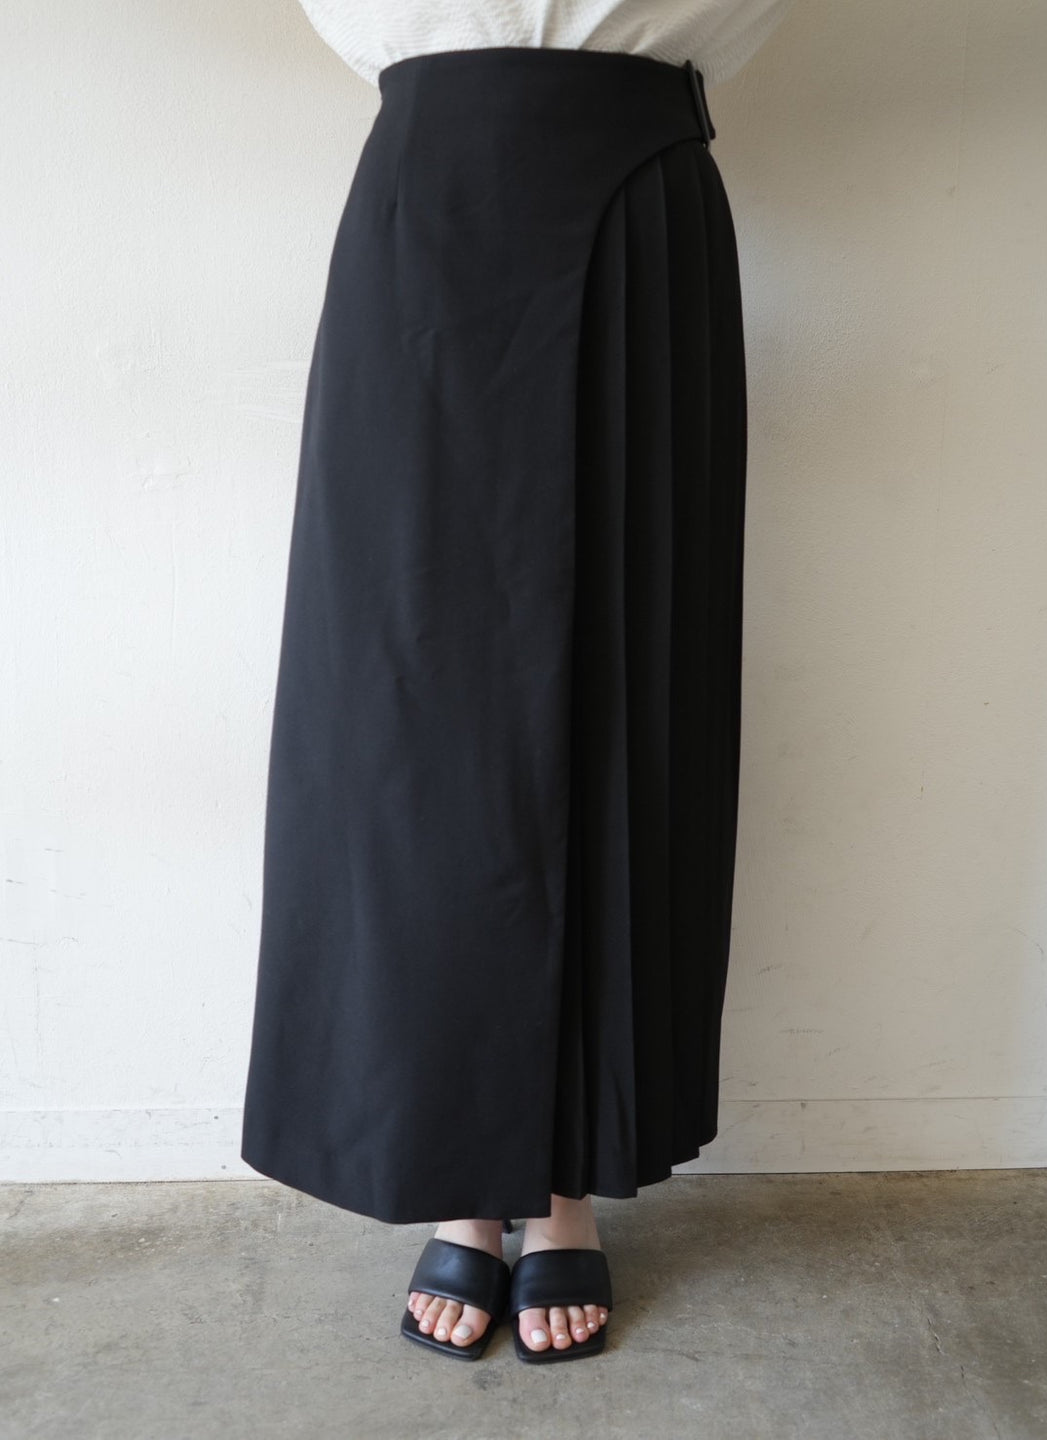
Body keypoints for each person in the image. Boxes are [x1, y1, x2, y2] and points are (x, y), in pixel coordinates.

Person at [241, 0, 795, 1364]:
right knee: (413, 719)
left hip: (636, 211)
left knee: (624, 689)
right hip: (430, 211)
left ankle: (560, 1193)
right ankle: (460, 1175)